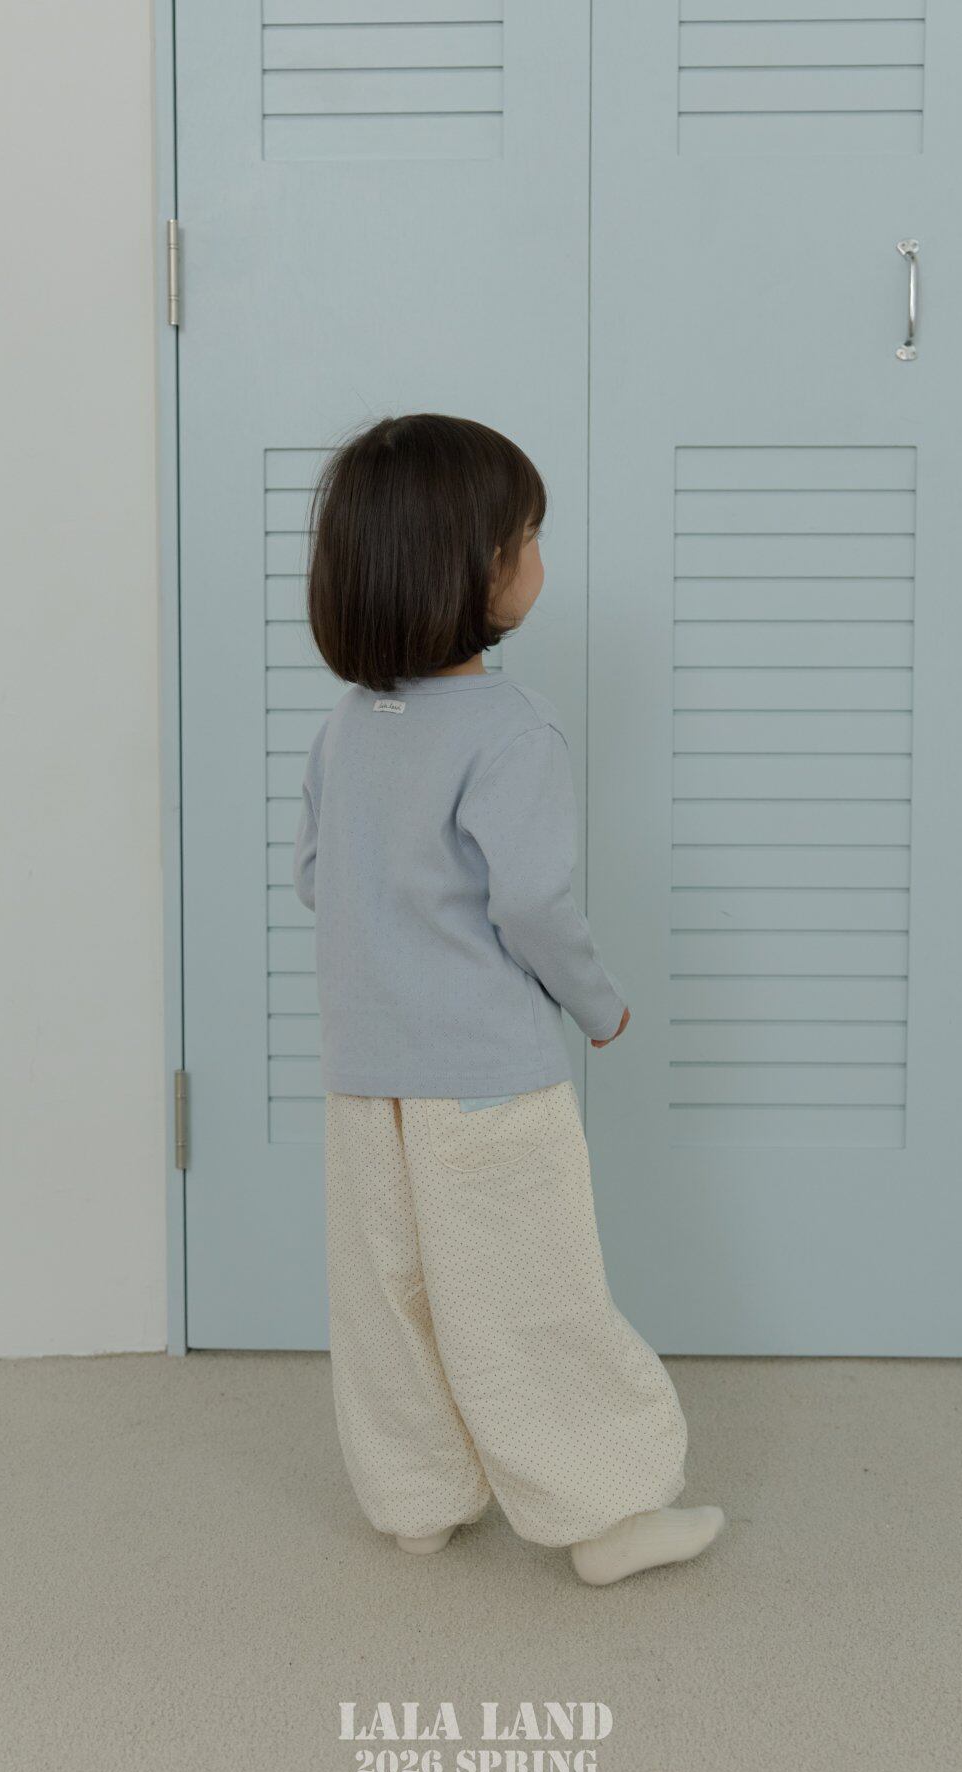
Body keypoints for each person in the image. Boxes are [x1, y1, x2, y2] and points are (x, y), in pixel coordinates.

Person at [293, 413, 725, 1586]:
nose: (539, 557)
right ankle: (606, 1513)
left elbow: (318, 879)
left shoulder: (345, 728)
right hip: (483, 1080)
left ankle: (417, 1498)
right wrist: (597, 1005)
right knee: (528, 1292)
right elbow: (530, 904)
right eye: (525, 537)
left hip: (362, 1080)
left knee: (388, 1296)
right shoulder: (510, 728)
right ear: (473, 570)